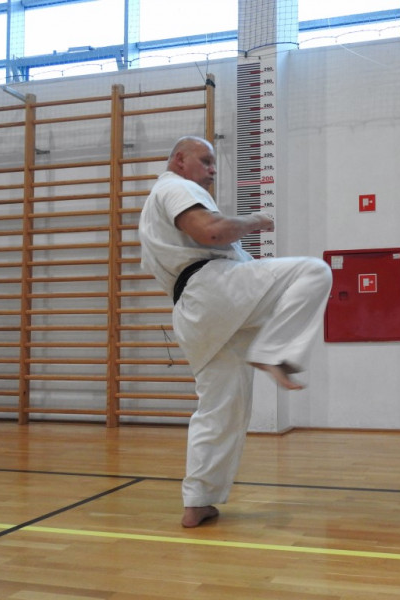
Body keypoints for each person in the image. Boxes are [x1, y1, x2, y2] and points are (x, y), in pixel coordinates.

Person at [138, 136, 332, 528]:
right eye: (206, 161)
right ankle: (274, 352)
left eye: (214, 163)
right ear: (179, 160)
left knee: (219, 410)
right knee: (314, 271)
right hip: (214, 288)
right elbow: (211, 232)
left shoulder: (157, 203)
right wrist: (257, 220)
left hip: (197, 311)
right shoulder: (175, 187)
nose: (213, 170)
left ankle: (198, 502)